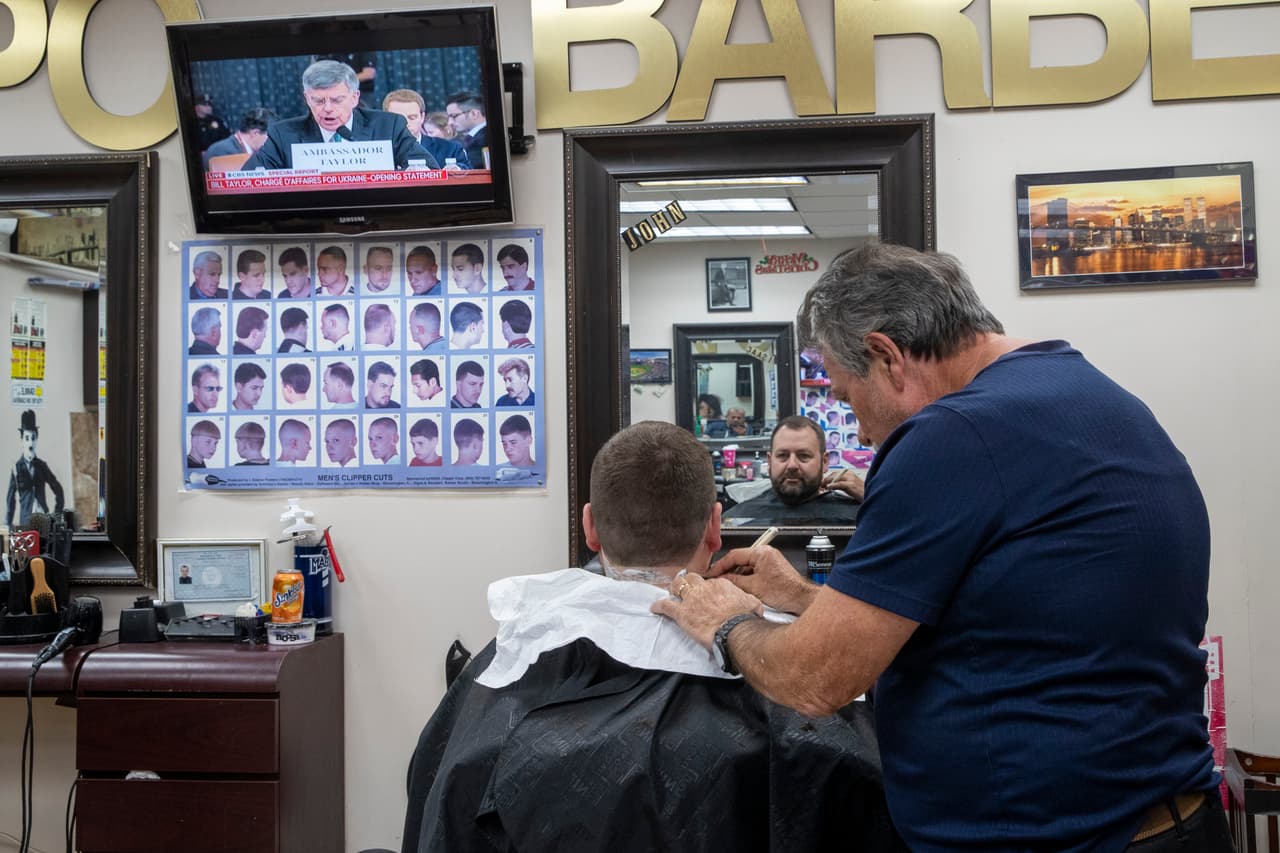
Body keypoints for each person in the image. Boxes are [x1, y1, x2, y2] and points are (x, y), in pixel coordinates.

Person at [654, 244, 1229, 852]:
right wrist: (801, 596)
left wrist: (725, 623)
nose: (867, 434)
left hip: (1061, 838)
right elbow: (1017, 610)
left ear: (887, 357)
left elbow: (815, 680)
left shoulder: (953, 435)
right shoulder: (1091, 395)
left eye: (851, 400)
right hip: (1166, 819)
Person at [400, 421, 901, 853]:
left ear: (590, 528)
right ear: (714, 528)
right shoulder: (801, 679)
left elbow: (440, 804)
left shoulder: (519, 654)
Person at [240, 60, 436, 171]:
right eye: (318, 100)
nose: (327, 108)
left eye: (336, 100)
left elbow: (429, 169)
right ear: (307, 98)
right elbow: (249, 178)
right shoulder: (284, 134)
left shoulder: (388, 125)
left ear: (355, 97)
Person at [722, 415, 862, 525]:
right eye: (783, 456)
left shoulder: (858, 516)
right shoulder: (738, 519)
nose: (792, 465)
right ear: (770, 462)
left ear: (824, 462)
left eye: (804, 456)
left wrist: (872, 499)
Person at [381, 89, 470, 169]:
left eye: (412, 117)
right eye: (398, 119)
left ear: (422, 117)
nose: (406, 124)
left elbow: (467, 173)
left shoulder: (450, 149)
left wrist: (456, 170)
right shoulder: (375, 152)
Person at [5, 409, 66, 526]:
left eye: (33, 438)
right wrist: (7, 525)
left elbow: (58, 489)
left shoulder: (42, 466)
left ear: (37, 439)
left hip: (44, 521)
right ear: (22, 440)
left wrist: (57, 516)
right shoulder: (16, 468)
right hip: (25, 523)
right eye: (27, 438)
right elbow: (10, 501)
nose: (30, 443)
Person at [203, 107, 275, 170]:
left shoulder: (263, 153)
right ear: (255, 133)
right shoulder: (221, 152)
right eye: (271, 137)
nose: (273, 142)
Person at [445, 90, 488, 169]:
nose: (449, 122)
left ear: (474, 114)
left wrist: (457, 169)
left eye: (454, 116)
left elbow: (472, 168)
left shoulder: (485, 138)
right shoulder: (476, 137)